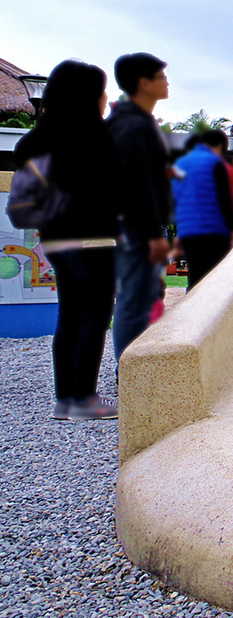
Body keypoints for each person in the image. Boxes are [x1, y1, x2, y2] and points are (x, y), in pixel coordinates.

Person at [14, 60, 121, 420]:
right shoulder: (95, 139)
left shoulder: (36, 140)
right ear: (87, 96)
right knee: (94, 315)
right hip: (92, 240)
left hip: (56, 241)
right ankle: (84, 399)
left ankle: (67, 399)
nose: (106, 99)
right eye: (102, 91)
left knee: (70, 315)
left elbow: (23, 205)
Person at [108, 52, 172, 364]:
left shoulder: (134, 122)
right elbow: (136, 186)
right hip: (134, 228)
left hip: (135, 226)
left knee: (144, 297)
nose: (167, 82)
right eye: (161, 76)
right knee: (134, 301)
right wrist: (152, 235)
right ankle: (130, 378)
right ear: (144, 84)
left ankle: (138, 373)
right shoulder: (132, 126)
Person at [172, 129, 233, 289]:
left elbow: (177, 200)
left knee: (194, 281)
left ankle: (191, 313)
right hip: (214, 231)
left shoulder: (180, 164)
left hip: (188, 233)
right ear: (220, 146)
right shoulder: (215, 162)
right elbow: (223, 198)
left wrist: (179, 233)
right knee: (213, 283)